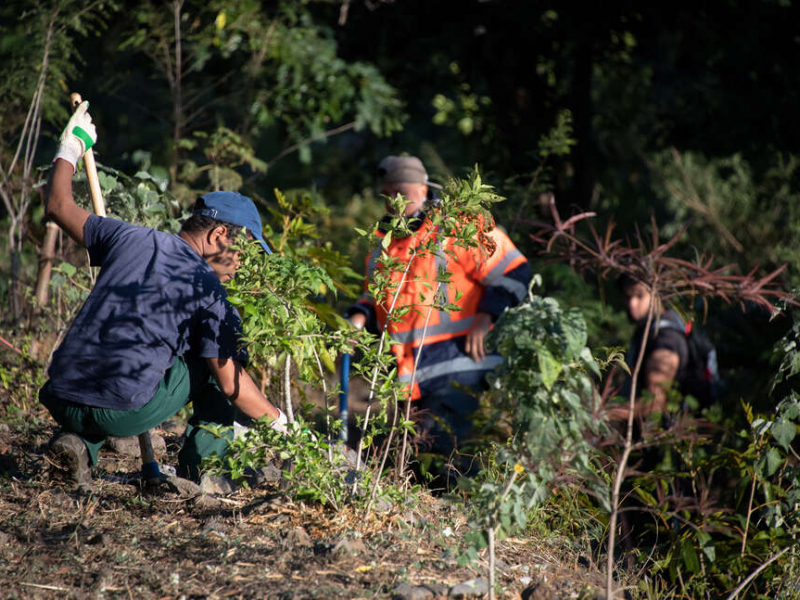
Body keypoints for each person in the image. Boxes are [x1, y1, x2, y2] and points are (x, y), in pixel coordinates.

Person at [40, 101, 286, 486]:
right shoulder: (209, 290)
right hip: (122, 413)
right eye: (245, 251)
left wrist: (69, 149)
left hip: (60, 395)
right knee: (213, 361)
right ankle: (203, 471)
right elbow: (231, 385)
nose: (242, 264)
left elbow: (57, 205)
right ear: (219, 235)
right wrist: (283, 426)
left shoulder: (125, 235)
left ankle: (77, 444)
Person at [346, 155, 530, 459]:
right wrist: (358, 315)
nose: (393, 200)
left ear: (422, 189)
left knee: (446, 457)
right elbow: (375, 297)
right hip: (410, 378)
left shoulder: (457, 227)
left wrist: (485, 319)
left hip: (460, 366)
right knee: (421, 461)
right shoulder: (382, 245)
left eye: (401, 192)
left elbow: (515, 271)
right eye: (387, 193)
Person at [609, 274, 690, 421]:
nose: (632, 304)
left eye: (639, 296)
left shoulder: (665, 339)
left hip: (660, 438)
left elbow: (655, 402)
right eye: (628, 297)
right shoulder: (647, 331)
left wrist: (605, 415)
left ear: (657, 293)